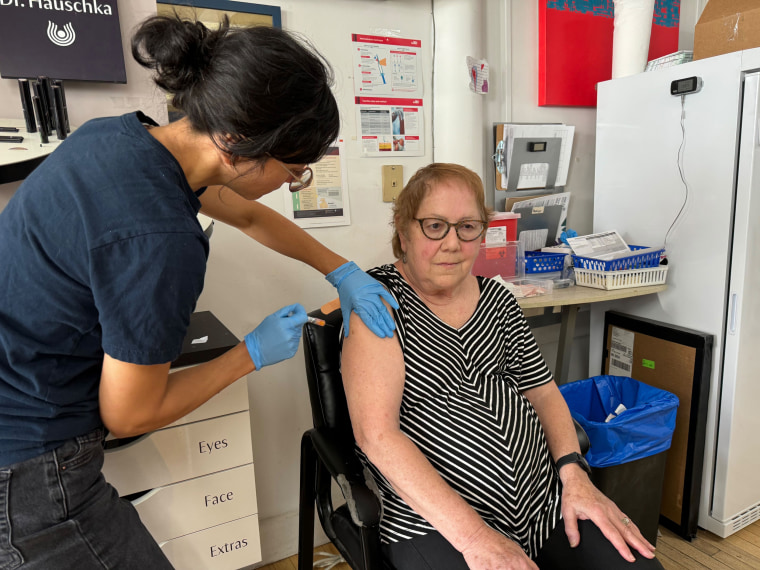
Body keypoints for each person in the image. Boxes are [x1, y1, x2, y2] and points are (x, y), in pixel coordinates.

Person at [0, 15, 397, 569]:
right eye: (294, 171)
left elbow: (246, 215)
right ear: (235, 144)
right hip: (28, 471)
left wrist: (341, 269)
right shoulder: (163, 240)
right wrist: (249, 355)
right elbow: (129, 415)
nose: (291, 184)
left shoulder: (121, 140)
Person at [341, 163, 664, 569]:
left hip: (541, 502)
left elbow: (543, 392)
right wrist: (476, 537)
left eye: (468, 227)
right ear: (404, 230)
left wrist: (573, 472)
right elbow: (377, 437)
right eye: (435, 226)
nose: (453, 243)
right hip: (436, 521)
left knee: (638, 565)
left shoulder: (497, 299)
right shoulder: (378, 304)